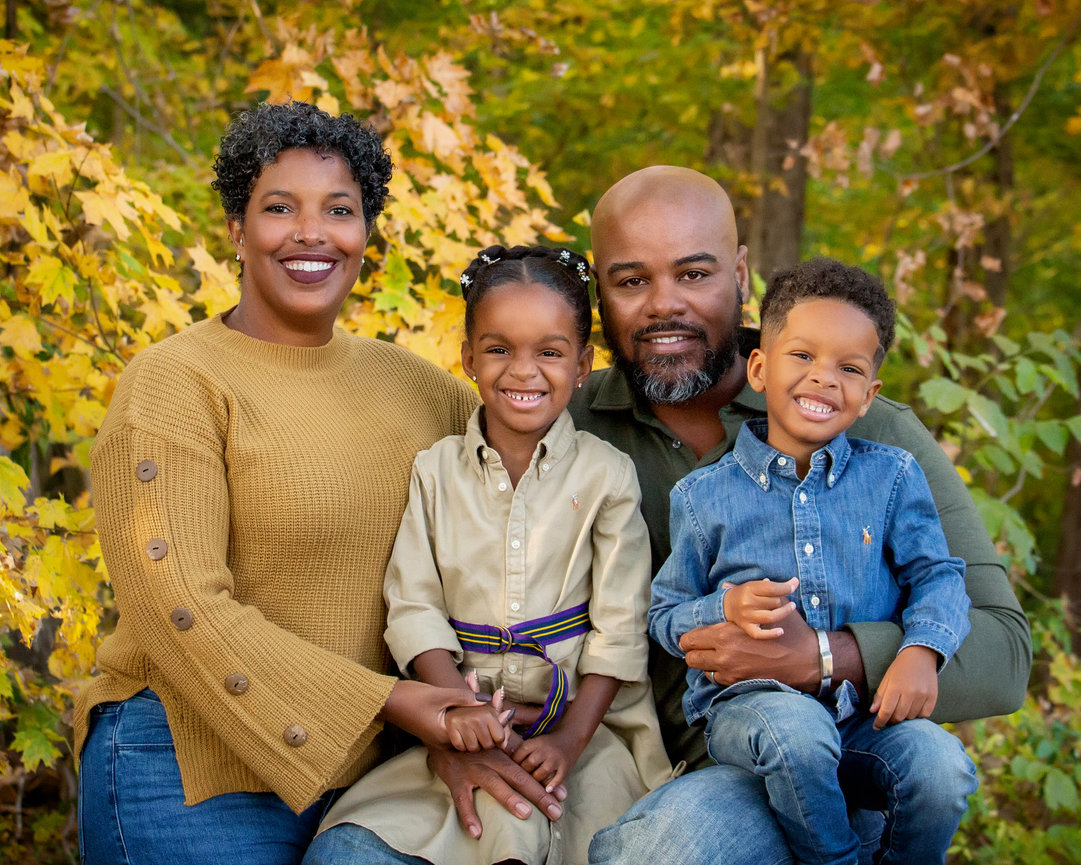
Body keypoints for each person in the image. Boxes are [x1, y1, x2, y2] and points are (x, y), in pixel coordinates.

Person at [75, 101, 521, 865]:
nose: (311, 233)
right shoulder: (175, 384)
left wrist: (466, 717)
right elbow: (178, 601)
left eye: (339, 210)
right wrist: (395, 701)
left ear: (366, 233)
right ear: (235, 231)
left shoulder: (423, 390)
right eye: (278, 207)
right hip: (187, 772)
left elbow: (517, 530)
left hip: (372, 774)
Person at [571, 165, 1031, 865]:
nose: (664, 305)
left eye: (693, 275)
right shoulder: (563, 425)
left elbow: (1002, 653)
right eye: (631, 281)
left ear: (740, 272)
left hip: (827, 769)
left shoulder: (870, 433)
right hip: (636, 766)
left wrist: (821, 658)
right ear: (599, 288)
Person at [305, 245, 673, 865]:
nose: (523, 371)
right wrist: (457, 712)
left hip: (578, 729)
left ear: (583, 364)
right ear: (468, 356)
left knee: (557, 836)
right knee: (343, 853)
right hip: (459, 720)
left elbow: (620, 628)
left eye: (550, 352)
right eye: (499, 349)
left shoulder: (609, 476)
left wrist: (568, 740)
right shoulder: (434, 471)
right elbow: (412, 606)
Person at [648, 257, 977, 864]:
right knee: (796, 734)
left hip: (861, 720)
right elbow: (664, 615)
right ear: (760, 368)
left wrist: (919, 651)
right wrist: (724, 606)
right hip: (752, 711)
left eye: (848, 368)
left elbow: (938, 576)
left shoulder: (892, 479)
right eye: (802, 356)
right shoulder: (702, 496)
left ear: (868, 395)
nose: (824, 379)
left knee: (942, 765)